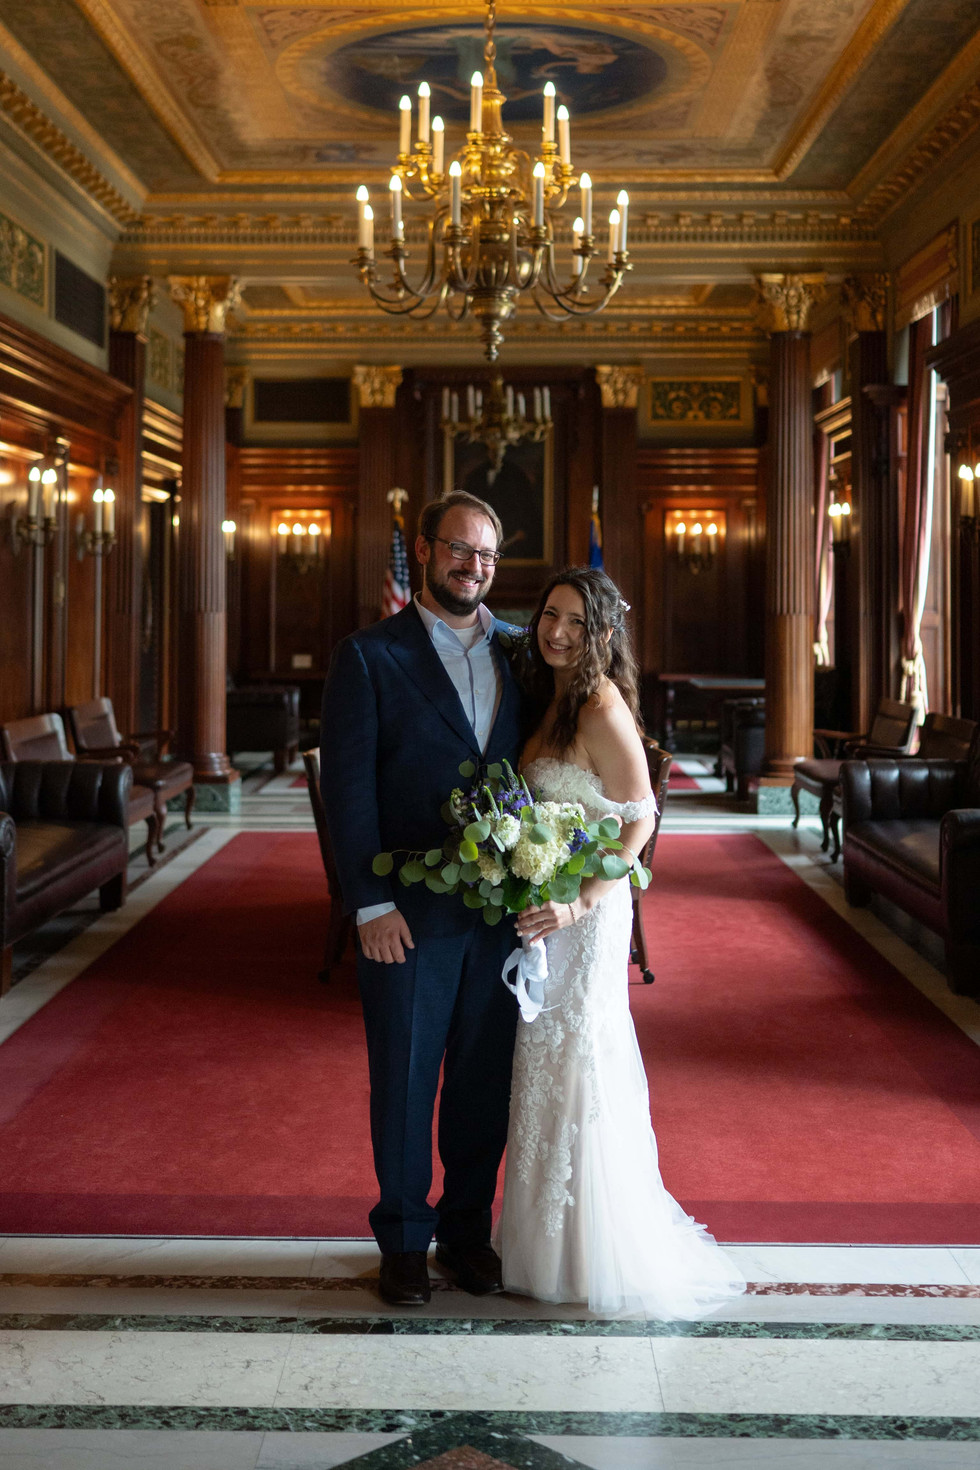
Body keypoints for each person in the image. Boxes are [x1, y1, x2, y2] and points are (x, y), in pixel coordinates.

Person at [495, 566, 746, 1318]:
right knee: (542, 1064)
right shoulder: (548, 697)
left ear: (603, 633)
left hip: (587, 913)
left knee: (578, 1060)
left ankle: (589, 1252)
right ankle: (536, 1241)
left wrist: (581, 903)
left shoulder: (602, 703)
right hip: (547, 907)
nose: (557, 631)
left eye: (575, 621)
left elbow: (641, 818)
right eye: (549, 616)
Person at [319, 491, 522, 1307]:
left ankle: (466, 1234)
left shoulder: (521, 652)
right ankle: (403, 1240)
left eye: (488, 556)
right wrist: (367, 905)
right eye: (460, 550)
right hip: (405, 914)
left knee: (483, 1081)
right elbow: (349, 790)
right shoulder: (369, 655)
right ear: (424, 550)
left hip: (502, 915)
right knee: (403, 1078)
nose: (474, 567)